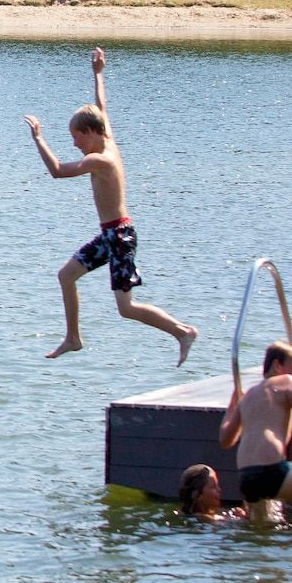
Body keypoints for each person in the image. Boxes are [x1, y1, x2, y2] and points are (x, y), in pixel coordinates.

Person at [23, 47, 198, 364]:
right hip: (110, 235)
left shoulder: (99, 159)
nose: (74, 143)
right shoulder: (108, 141)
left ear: (90, 133)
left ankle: (182, 332)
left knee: (126, 308)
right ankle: (73, 338)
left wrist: (38, 139)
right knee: (66, 276)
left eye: (76, 137)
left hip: (119, 236)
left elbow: (58, 171)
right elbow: (101, 107)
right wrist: (98, 73)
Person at [219, 342, 292, 520]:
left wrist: (231, 408)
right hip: (271, 471)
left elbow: (225, 440)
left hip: (246, 477)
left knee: (261, 535)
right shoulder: (286, 382)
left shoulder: (248, 396)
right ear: (277, 366)